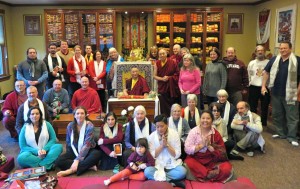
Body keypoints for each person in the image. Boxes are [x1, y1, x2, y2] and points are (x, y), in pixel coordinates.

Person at [262, 41, 300, 146]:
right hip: (275, 93)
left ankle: (292, 137)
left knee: (292, 116)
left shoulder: (297, 60)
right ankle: (280, 133)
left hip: (291, 94)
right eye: (281, 48)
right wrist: (263, 86)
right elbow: (266, 72)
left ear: (290, 49)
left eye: (285, 48)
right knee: (277, 114)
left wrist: (297, 93)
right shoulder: (274, 59)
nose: (282, 50)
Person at [184, 110, 233, 182]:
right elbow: (187, 149)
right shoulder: (193, 132)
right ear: (200, 119)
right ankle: (211, 175)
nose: (205, 120)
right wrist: (202, 145)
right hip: (197, 159)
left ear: (212, 120)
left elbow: (222, 153)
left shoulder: (215, 133)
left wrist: (211, 148)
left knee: (226, 168)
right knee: (189, 163)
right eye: (203, 118)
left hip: (212, 160)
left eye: (208, 118)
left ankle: (205, 175)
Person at [56, 106, 101, 177]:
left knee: (97, 154)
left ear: (86, 115)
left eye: (82, 113)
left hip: (88, 150)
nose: (80, 115)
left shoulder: (89, 125)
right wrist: (69, 153)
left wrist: (77, 160)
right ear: (74, 115)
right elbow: (68, 141)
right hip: (74, 150)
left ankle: (71, 170)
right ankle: (88, 166)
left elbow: (87, 144)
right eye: (77, 113)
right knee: (59, 161)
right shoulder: (70, 126)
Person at [144, 115, 186, 188]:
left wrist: (167, 145)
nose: (160, 129)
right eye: (157, 127)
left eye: (162, 126)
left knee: (182, 172)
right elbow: (152, 155)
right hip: (157, 165)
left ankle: (161, 180)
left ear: (167, 125)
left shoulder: (174, 134)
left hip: (171, 164)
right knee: (147, 171)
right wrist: (161, 146)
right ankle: (171, 182)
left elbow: (177, 154)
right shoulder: (151, 137)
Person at [247, 45, 270, 127]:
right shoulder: (252, 63)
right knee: (252, 106)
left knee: (264, 106)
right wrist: (250, 83)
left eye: (262, 50)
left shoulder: (268, 62)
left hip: (265, 87)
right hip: (253, 87)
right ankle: (253, 122)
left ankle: (263, 123)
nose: (260, 52)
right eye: (258, 51)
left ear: (264, 52)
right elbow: (249, 74)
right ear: (255, 52)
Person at [154, 49, 180, 117]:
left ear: (166, 54)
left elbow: (177, 74)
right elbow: (154, 76)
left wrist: (169, 78)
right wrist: (162, 79)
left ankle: (172, 117)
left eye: (163, 53)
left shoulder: (172, 62)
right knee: (163, 104)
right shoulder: (157, 63)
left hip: (171, 87)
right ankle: (164, 118)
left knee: (171, 104)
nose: (162, 55)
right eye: (160, 54)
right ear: (158, 55)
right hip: (162, 87)